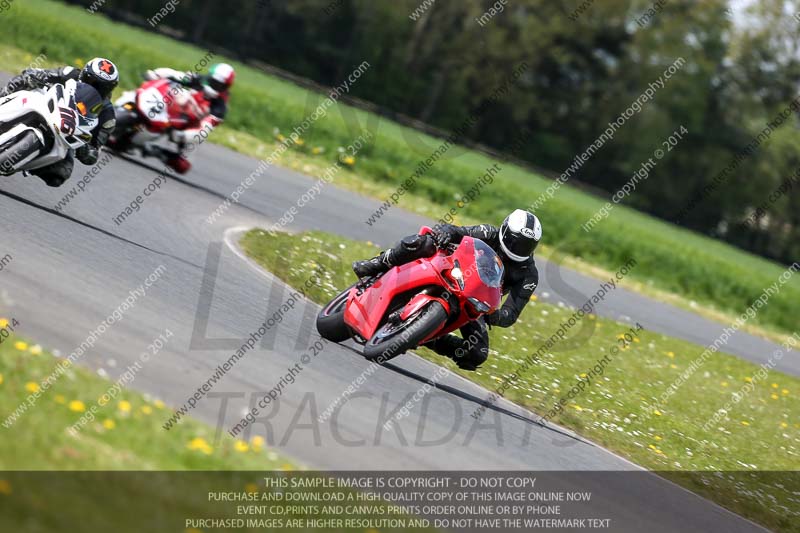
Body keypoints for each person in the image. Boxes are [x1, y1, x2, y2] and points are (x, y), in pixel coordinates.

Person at [353, 209, 542, 370]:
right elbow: (457, 231)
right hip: (452, 269)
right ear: (506, 230)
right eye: (517, 241)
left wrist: (495, 315)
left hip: (475, 302)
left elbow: (511, 313)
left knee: (477, 353)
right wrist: (446, 233)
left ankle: (423, 336)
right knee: (423, 242)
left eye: (527, 245)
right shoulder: (489, 232)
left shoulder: (529, 275)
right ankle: (378, 263)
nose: (519, 248)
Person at [0, 58, 119, 187]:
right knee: (22, 81)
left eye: (102, 87)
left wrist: (86, 151)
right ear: (83, 75)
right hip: (45, 103)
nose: (94, 88)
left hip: (66, 133)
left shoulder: (108, 116)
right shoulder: (71, 73)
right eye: (92, 82)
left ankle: (23, 161)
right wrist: (38, 75)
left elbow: (95, 151)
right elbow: (42, 73)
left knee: (59, 174)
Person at [140, 63, 235, 173]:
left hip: (189, 126)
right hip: (176, 107)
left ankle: (157, 151)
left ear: (225, 87)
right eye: (213, 81)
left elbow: (204, 130)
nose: (214, 85)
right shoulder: (199, 79)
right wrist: (155, 74)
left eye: (219, 85)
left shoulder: (220, 107)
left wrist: (183, 136)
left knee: (183, 166)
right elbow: (175, 74)